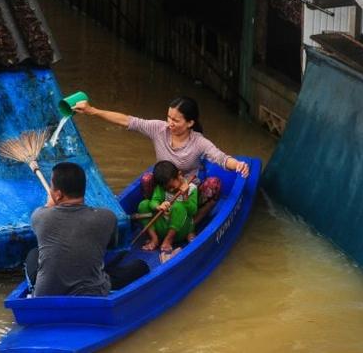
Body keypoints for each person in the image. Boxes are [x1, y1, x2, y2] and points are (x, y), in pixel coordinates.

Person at [74, 96, 249, 226]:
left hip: (188, 191)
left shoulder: (199, 142)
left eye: (176, 120)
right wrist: (92, 111)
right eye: (168, 117)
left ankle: (192, 223)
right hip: (163, 188)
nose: (170, 123)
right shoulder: (159, 129)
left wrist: (238, 165)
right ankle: (156, 215)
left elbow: (221, 158)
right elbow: (128, 121)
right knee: (147, 179)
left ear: (190, 123)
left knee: (214, 184)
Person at [26, 162, 147, 296]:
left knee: (33, 254)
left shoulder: (39, 216)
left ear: (58, 195)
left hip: (45, 294)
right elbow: (112, 246)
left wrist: (49, 204)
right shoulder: (107, 217)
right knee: (141, 266)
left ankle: (33, 292)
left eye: (52, 187)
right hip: (93, 292)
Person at [137, 161, 198, 253]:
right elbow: (153, 201)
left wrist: (185, 196)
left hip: (180, 230)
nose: (171, 190)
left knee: (178, 206)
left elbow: (193, 211)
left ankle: (169, 239)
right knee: (143, 204)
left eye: (172, 186)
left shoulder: (192, 188)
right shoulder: (161, 187)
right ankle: (154, 238)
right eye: (167, 188)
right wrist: (158, 206)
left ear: (179, 174)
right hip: (163, 226)